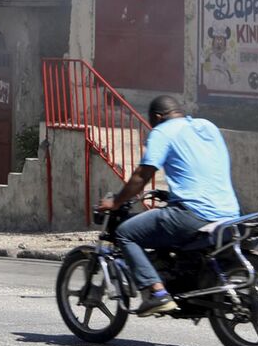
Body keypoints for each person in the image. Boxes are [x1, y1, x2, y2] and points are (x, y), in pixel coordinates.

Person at [97, 95, 240, 317]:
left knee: (125, 233)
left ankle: (157, 293)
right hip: (230, 212)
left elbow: (143, 174)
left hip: (193, 213)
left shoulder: (162, 132)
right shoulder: (207, 126)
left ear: (157, 117)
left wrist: (116, 201)